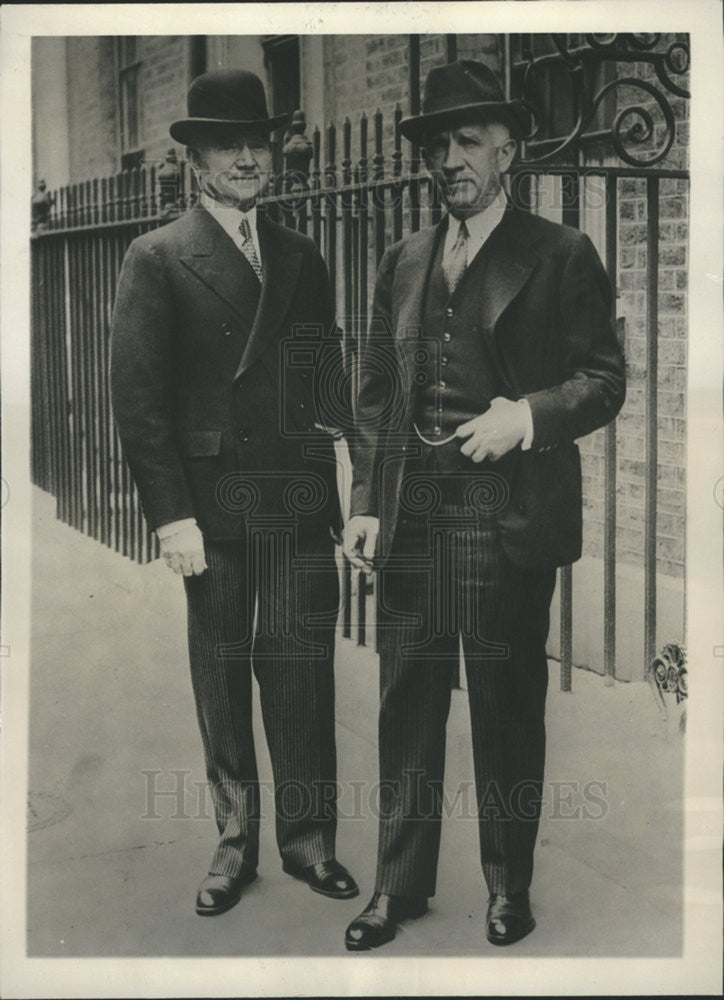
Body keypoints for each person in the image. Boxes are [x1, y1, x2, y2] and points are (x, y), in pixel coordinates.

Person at [343, 60, 625, 950]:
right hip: (414, 518)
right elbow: (378, 389)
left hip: (507, 518)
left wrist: (527, 418)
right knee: (408, 707)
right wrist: (364, 499)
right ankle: (399, 887)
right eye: (437, 145)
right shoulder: (404, 259)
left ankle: (509, 887)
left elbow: (606, 381)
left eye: (468, 141)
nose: (449, 160)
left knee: (506, 708)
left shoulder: (562, 252)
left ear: (508, 148)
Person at [111, 69, 358, 917]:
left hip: (292, 494)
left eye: (259, 141)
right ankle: (233, 844)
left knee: (299, 669)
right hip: (210, 505)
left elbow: (324, 376)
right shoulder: (157, 255)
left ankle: (309, 841)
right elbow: (139, 405)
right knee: (220, 671)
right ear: (197, 160)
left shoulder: (298, 253)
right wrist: (170, 515)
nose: (250, 158)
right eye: (229, 145)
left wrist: (350, 488)